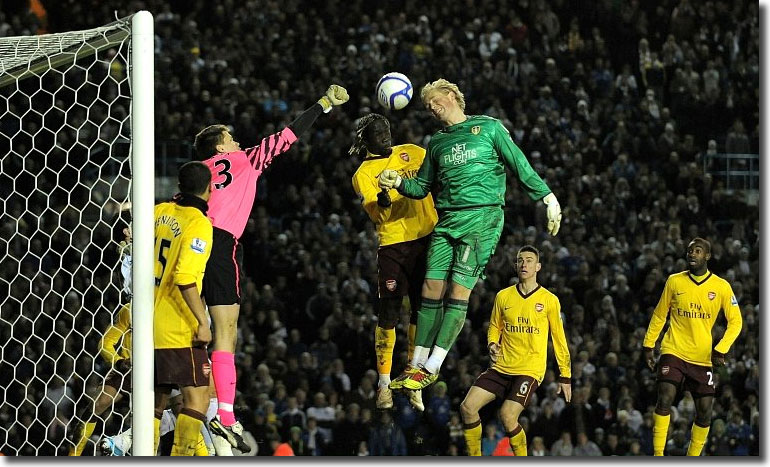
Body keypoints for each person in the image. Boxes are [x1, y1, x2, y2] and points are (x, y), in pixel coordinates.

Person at [379, 78, 562, 390]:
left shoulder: (488, 128)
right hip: (447, 219)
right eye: (427, 107)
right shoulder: (436, 142)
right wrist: (397, 182)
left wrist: (546, 197)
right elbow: (421, 187)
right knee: (430, 286)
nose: (432, 109)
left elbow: (518, 164)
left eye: (435, 102)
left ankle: (433, 365)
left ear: (451, 96)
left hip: (482, 218)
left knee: (458, 291)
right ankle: (416, 365)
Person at [194, 84, 349, 448]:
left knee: (193, 332)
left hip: (191, 246)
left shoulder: (195, 173)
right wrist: (323, 103)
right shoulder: (246, 159)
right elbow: (289, 135)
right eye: (229, 137)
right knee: (225, 332)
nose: (235, 140)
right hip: (220, 246)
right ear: (220, 146)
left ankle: (193, 405)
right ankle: (225, 416)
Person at [349, 113, 438, 411]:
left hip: (427, 239)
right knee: (389, 313)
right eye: (377, 132)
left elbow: (439, 173)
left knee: (422, 311)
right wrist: (387, 194)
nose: (385, 134)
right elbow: (377, 211)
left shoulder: (413, 152)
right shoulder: (363, 174)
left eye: (386, 128)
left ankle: (414, 378)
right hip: (393, 244)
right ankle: (384, 384)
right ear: (366, 140)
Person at [459, 245, 571, 456]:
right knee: (467, 408)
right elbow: (494, 327)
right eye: (520, 260)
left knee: (507, 415)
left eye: (529, 260)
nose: (524, 264)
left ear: (538, 266)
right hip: (501, 366)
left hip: (529, 369)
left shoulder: (549, 300)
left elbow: (559, 339)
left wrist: (565, 375)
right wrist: (492, 344)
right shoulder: (504, 296)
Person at [643, 237, 743, 456]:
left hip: (702, 356)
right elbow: (660, 314)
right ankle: (658, 454)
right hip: (674, 349)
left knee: (706, 412)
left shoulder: (721, 287)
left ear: (707, 256)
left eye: (697, 251)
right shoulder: (674, 281)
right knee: (665, 396)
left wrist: (721, 348)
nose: (692, 254)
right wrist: (649, 345)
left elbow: (736, 321)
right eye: (689, 251)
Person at [152, 161, 215, 456]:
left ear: (179, 186)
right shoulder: (199, 223)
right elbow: (185, 277)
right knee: (198, 398)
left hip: (147, 319)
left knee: (156, 401)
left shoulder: (158, 212)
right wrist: (202, 322)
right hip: (178, 324)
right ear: (209, 189)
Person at [68, 226, 133, 456]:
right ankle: (74, 454)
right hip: (128, 367)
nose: (128, 232)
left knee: (168, 412)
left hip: (160, 365)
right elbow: (105, 343)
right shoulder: (128, 311)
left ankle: (121, 443)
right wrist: (118, 362)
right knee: (98, 404)